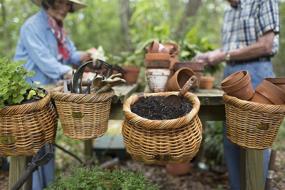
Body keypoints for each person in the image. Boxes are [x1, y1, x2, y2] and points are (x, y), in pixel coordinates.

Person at [196, 0, 279, 189]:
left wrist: (225, 56)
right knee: (231, 140)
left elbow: (266, 45)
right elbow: (230, 49)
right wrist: (209, 55)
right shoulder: (229, 11)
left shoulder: (262, 1)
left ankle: (257, 186)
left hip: (256, 71)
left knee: (255, 141)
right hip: (230, 74)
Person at [14, 0, 91, 189]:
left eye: (69, 6)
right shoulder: (32, 27)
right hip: (29, 93)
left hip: (49, 92)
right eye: (64, 4)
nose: (67, 9)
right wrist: (73, 73)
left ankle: (47, 185)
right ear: (50, 2)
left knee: (47, 139)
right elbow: (45, 61)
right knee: (33, 143)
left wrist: (86, 55)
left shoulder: (58, 29)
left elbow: (70, 54)